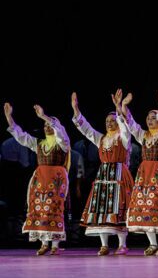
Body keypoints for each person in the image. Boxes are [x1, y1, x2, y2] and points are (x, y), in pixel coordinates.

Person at [71, 90, 134, 255]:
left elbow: (126, 127)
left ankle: (122, 244)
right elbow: (86, 130)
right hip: (104, 176)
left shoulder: (123, 138)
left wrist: (118, 107)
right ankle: (104, 245)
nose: (109, 123)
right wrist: (76, 109)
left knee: (119, 207)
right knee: (102, 208)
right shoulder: (101, 138)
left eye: (113, 121)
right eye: (107, 121)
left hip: (119, 175)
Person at [3, 103, 71, 255]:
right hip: (40, 180)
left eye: (49, 124)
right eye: (45, 125)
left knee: (54, 209)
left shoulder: (63, 143)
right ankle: (44, 243)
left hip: (56, 180)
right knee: (40, 209)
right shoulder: (39, 144)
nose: (47, 127)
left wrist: (43, 116)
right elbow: (22, 137)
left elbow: (60, 132)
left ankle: (55, 245)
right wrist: (9, 117)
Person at [118, 89, 158, 256]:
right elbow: (131, 124)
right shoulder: (143, 135)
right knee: (145, 207)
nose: (150, 121)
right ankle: (152, 243)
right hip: (144, 175)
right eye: (148, 118)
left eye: (154, 118)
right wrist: (123, 105)